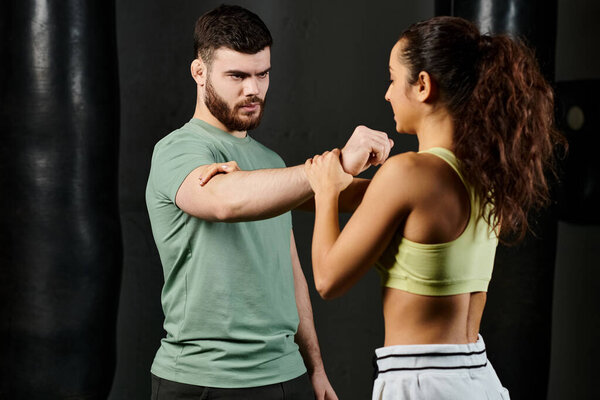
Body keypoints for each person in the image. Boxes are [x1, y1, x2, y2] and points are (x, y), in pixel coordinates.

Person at [303, 16, 564, 399]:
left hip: (422, 381)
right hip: (477, 376)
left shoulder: (407, 173)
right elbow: (358, 197)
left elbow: (327, 279)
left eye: (393, 79)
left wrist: (327, 190)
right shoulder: (482, 174)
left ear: (423, 85)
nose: (388, 94)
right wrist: (325, 181)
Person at [145, 5, 392, 399]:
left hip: (283, 376)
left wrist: (315, 367)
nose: (253, 90)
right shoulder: (178, 150)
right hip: (202, 380)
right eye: (237, 76)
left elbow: (289, 273)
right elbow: (224, 202)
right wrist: (339, 163)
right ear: (199, 72)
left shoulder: (270, 163)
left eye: (262, 74)